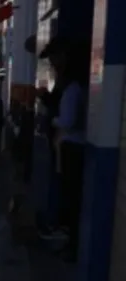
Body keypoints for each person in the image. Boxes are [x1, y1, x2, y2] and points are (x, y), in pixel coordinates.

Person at [42, 35, 90, 262]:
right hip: (69, 147)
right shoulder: (73, 87)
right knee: (69, 195)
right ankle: (68, 238)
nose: (52, 64)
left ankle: (71, 242)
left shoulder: (72, 89)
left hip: (72, 148)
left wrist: (52, 120)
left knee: (71, 196)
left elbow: (68, 121)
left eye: (54, 59)